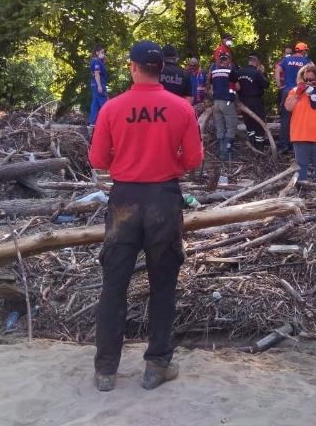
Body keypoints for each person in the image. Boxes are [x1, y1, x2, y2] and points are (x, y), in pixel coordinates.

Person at [89, 40, 203, 392]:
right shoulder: (181, 108)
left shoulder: (112, 107)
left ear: (133, 67)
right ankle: (156, 366)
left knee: (114, 285)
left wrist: (127, 163)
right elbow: (194, 160)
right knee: (163, 285)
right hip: (164, 199)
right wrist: (168, 166)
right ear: (162, 68)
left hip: (124, 198)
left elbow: (97, 160)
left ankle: (106, 371)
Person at [285, 64, 316, 201]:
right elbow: (288, 107)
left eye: (312, 79)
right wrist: (298, 93)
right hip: (300, 134)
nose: (308, 82)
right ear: (301, 78)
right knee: (301, 165)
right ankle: (301, 193)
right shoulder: (295, 91)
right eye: (306, 79)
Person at [277, 42, 311, 153]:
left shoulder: (286, 60)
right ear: (304, 51)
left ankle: (283, 145)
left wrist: (280, 86)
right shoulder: (306, 61)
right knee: (299, 119)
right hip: (301, 92)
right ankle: (295, 144)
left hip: (287, 91)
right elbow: (315, 71)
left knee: (285, 119)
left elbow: (277, 70)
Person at [208, 52, 239, 162]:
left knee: (220, 126)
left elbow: (211, 87)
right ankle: (227, 151)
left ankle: (221, 151)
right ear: (226, 62)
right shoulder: (230, 71)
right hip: (227, 102)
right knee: (231, 125)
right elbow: (238, 86)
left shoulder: (214, 72)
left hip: (216, 102)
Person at [237, 54, 270, 151]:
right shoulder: (256, 72)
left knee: (249, 123)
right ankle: (259, 147)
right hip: (255, 101)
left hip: (243, 101)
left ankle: (252, 144)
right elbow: (266, 85)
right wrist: (263, 73)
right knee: (259, 123)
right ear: (256, 62)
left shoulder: (239, 72)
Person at [88, 46, 108, 127]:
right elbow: (96, 74)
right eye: (102, 52)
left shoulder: (97, 61)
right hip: (98, 84)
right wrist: (99, 86)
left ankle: (93, 121)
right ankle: (107, 121)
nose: (103, 54)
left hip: (94, 84)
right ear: (97, 52)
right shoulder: (96, 62)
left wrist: (103, 59)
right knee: (104, 102)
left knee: (95, 103)